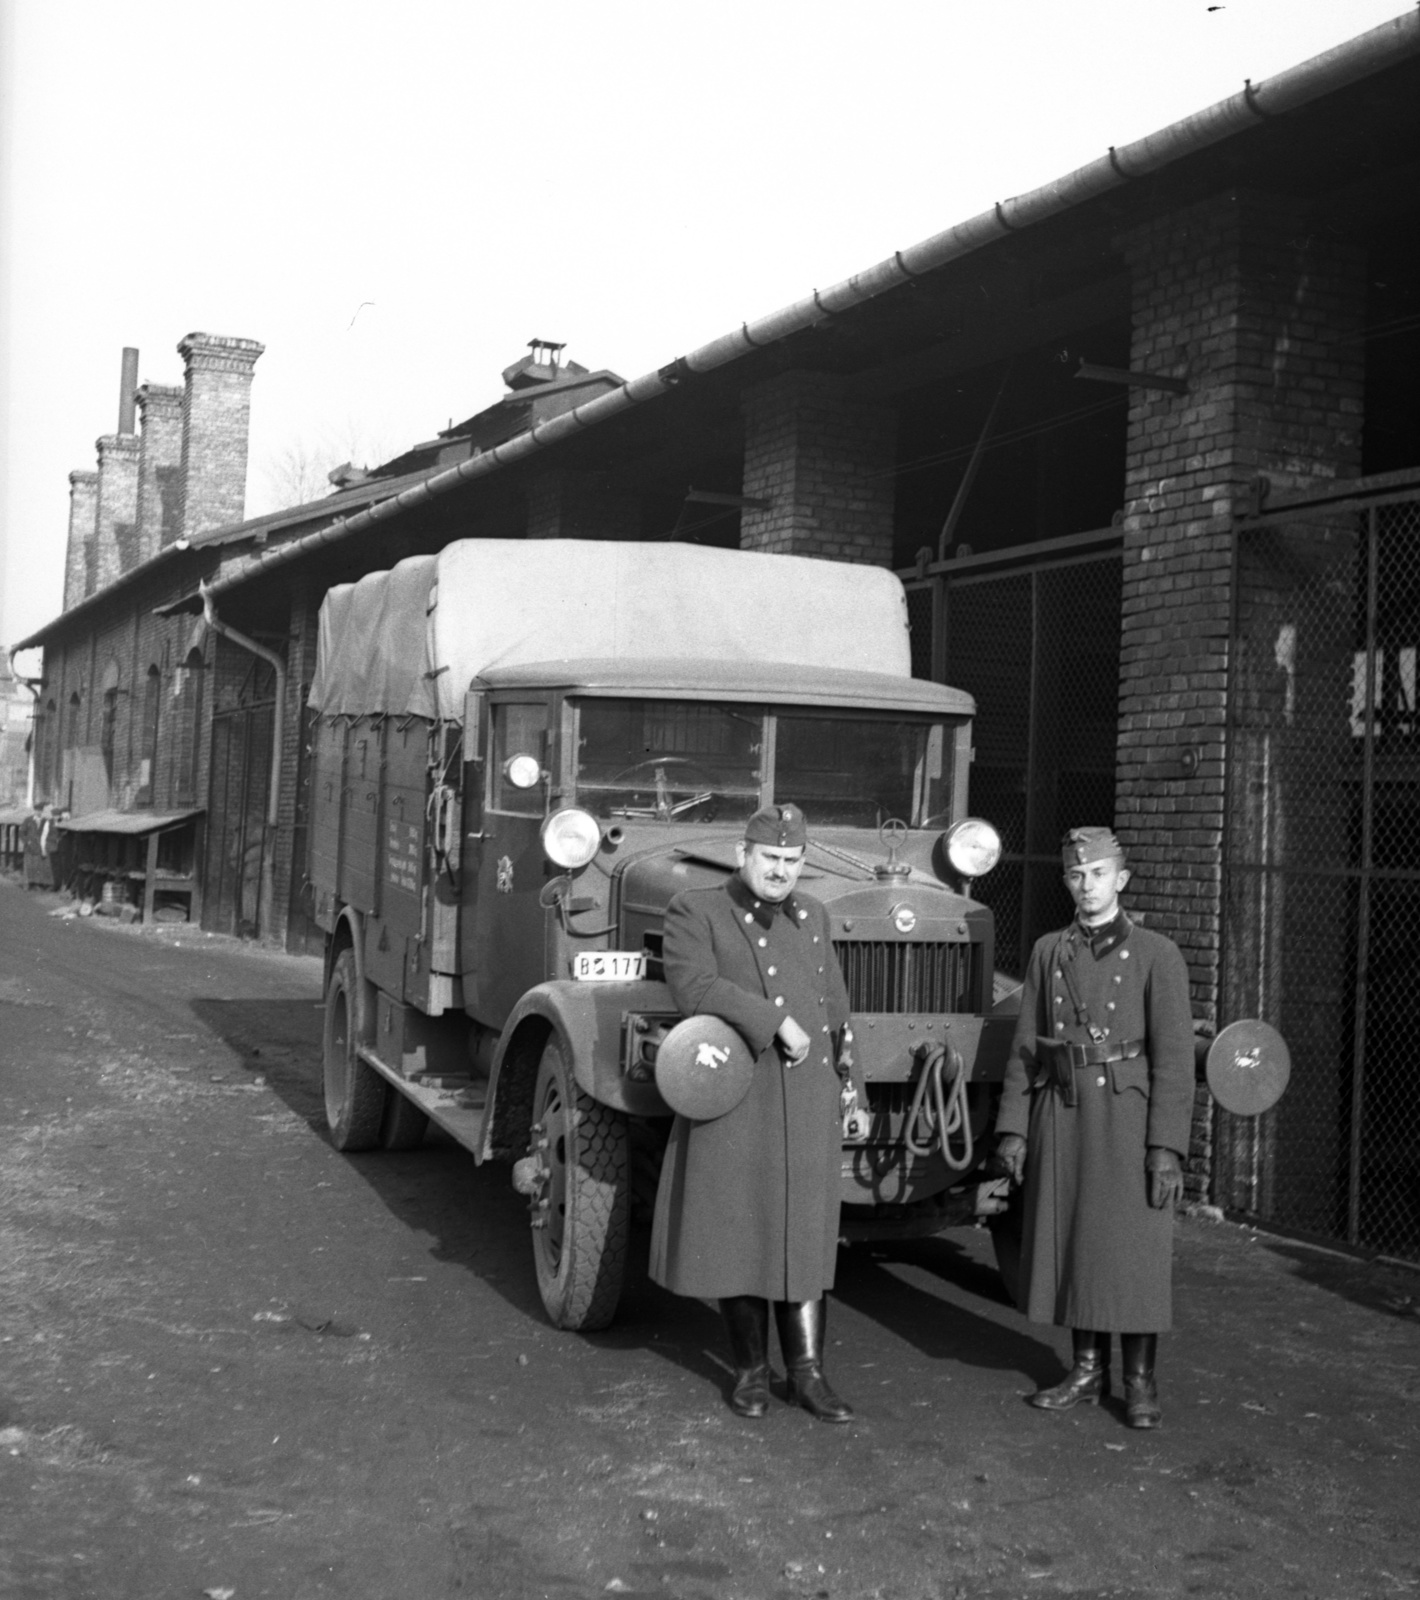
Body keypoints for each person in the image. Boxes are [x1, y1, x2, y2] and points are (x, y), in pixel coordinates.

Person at [649, 803, 857, 1423]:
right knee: (744, 1233)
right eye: (771, 859)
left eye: (793, 862)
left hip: (808, 1097)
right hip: (739, 1091)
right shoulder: (698, 910)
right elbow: (695, 987)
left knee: (804, 1235)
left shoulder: (813, 916)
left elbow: (836, 1015)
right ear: (743, 854)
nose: (782, 872)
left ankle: (809, 1375)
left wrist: (854, 1092)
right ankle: (750, 1372)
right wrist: (775, 1023)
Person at [994, 827, 1193, 1429]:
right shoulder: (1049, 951)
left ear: (1121, 880)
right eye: (1077, 876)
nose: (1087, 886)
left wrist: (1167, 1147)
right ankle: (1085, 1371)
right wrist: (1013, 1128)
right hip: (1067, 1110)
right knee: (1079, 1239)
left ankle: (1138, 1382)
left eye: (1098, 874)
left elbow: (1175, 1059)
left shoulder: (1158, 954)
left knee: (1132, 1250)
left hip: (1129, 1117)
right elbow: (1026, 1046)